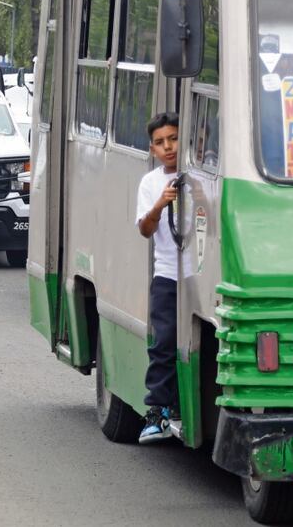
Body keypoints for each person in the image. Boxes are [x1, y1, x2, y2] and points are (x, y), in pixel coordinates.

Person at [135, 111, 181, 443]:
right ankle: (158, 413)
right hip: (168, 275)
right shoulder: (151, 183)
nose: (168, 147)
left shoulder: (204, 174)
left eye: (173, 139)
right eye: (160, 143)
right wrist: (160, 205)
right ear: (152, 149)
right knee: (163, 344)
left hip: (202, 276)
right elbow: (145, 229)